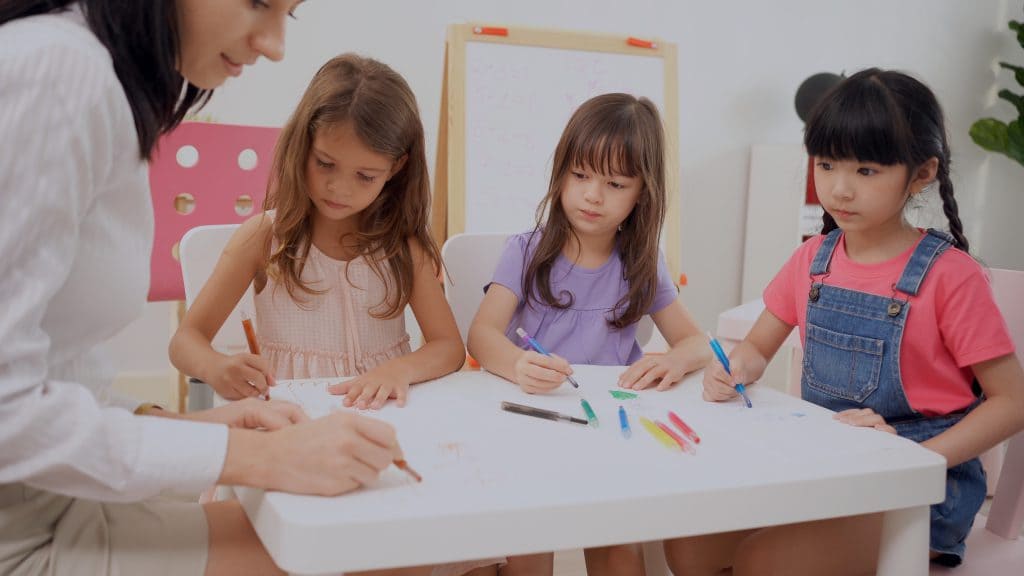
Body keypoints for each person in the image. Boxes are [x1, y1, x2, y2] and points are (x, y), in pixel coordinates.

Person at [0, 2, 420, 575]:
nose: (274, 44)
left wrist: (186, 424)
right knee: (363, 552)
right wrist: (254, 457)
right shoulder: (61, 72)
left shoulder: (98, 81)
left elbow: (55, 377)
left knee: (372, 542)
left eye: (288, 15)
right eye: (257, 2)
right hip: (25, 529)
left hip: (57, 499)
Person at [664, 68, 1024, 575]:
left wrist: (912, 461)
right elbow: (757, 349)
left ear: (921, 174)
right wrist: (735, 368)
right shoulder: (812, 259)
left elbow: (1012, 403)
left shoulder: (950, 277)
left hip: (919, 490)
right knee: (687, 545)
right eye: (827, 164)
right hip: (827, 467)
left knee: (764, 562)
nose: (839, 189)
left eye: (866, 171)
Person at [467, 93, 710, 576]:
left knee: (620, 554)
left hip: (608, 433)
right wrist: (516, 364)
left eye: (615, 183)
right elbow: (481, 334)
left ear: (642, 192)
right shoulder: (526, 251)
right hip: (533, 424)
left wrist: (674, 359)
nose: (593, 196)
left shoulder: (642, 263)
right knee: (531, 544)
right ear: (560, 174)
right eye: (580, 176)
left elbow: (698, 342)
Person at [169, 53, 465, 412]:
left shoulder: (402, 245)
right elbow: (186, 341)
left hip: (385, 418)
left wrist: (399, 370)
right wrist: (215, 366)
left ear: (396, 168)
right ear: (302, 145)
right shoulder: (264, 237)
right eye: (325, 164)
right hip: (295, 417)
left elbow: (448, 347)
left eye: (365, 176)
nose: (339, 188)